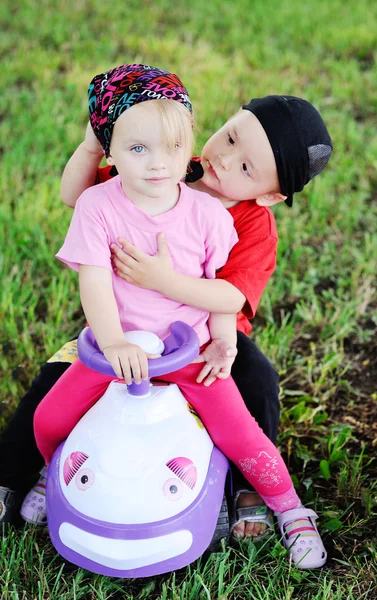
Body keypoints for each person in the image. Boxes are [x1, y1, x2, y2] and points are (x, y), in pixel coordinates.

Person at [0, 70, 332, 550]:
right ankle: (17, 472)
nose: (225, 160)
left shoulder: (250, 222)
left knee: (256, 383)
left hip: (204, 336)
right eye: (231, 137)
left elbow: (229, 297)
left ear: (270, 194)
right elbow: (79, 196)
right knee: (55, 375)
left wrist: (164, 282)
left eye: (247, 168)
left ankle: (246, 490)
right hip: (120, 322)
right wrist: (94, 146)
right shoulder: (159, 159)